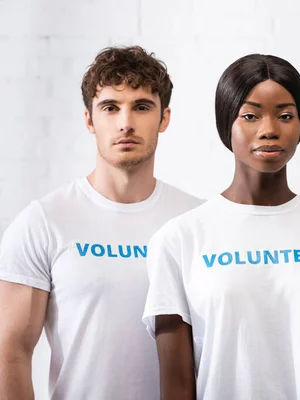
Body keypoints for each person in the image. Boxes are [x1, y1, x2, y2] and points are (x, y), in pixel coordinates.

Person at [142, 54, 300, 400]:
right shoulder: (179, 239)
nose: (269, 130)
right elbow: (177, 384)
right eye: (251, 116)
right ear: (227, 123)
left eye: (285, 116)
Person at [0, 46, 203, 400]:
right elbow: (11, 352)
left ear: (164, 118)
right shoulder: (44, 221)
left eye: (141, 107)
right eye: (110, 107)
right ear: (90, 120)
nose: (125, 122)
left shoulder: (197, 221)